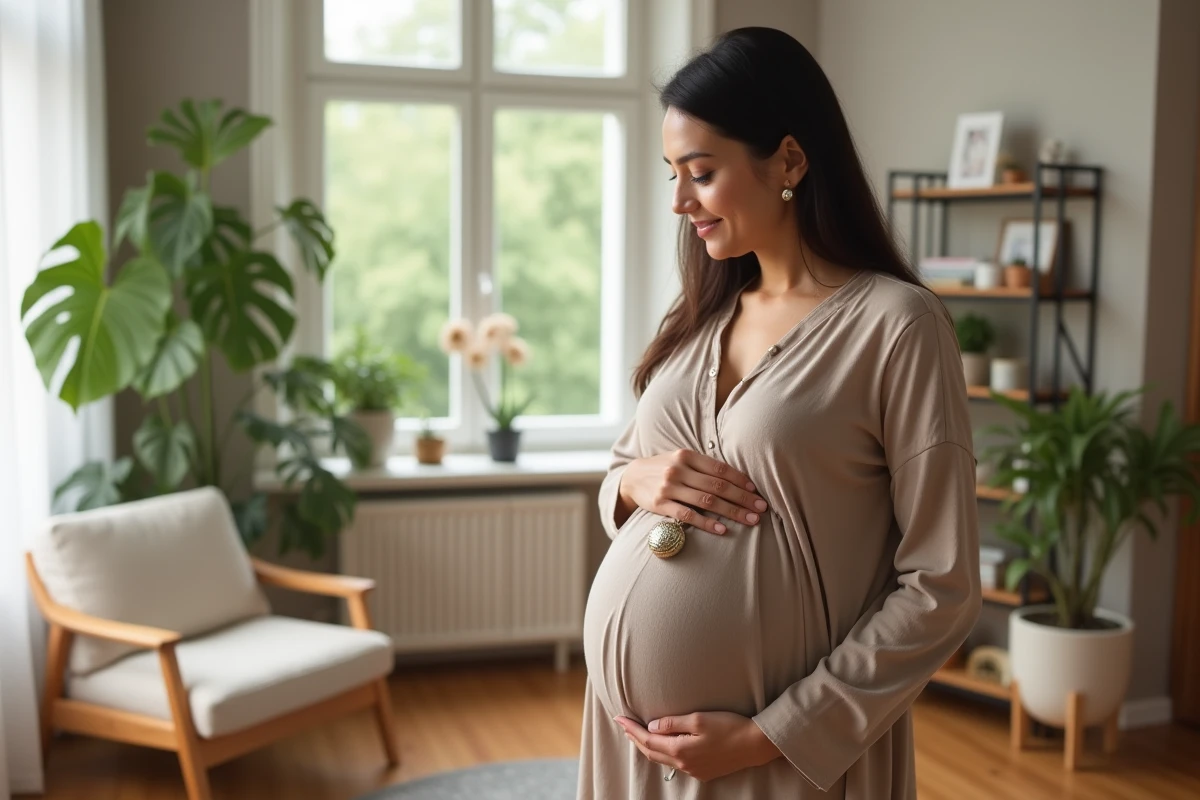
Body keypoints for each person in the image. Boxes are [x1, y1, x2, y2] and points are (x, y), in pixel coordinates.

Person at [578, 27, 981, 799]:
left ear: (790, 160)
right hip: (628, 743)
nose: (678, 201)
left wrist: (774, 734)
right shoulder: (701, 315)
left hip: (776, 756)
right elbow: (622, 476)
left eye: (700, 172)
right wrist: (635, 484)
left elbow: (942, 585)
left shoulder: (897, 325)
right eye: (671, 174)